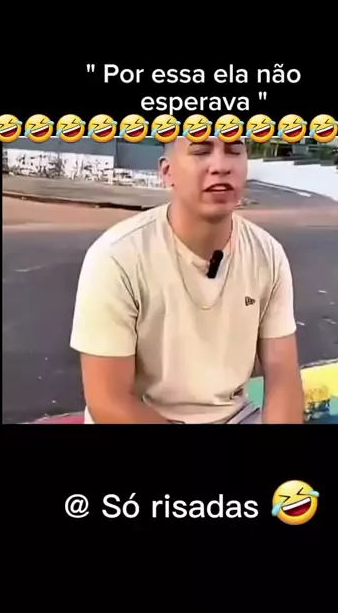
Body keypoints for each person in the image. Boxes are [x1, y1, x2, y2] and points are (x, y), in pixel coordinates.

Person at [70, 134, 304, 423]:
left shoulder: (267, 255)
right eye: (201, 151)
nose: (221, 166)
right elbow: (108, 401)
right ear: (167, 171)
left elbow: (283, 375)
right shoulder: (117, 256)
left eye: (234, 151)